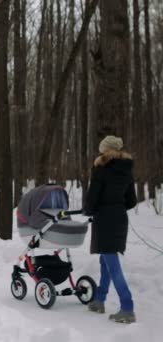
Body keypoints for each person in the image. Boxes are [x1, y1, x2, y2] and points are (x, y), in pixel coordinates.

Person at [83, 135, 137, 324]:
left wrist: (88, 210)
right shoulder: (127, 170)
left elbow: (92, 198)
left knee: (112, 265)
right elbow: (131, 201)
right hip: (120, 219)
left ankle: (127, 307)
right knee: (105, 261)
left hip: (105, 219)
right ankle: (99, 300)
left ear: (105, 150)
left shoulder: (101, 169)